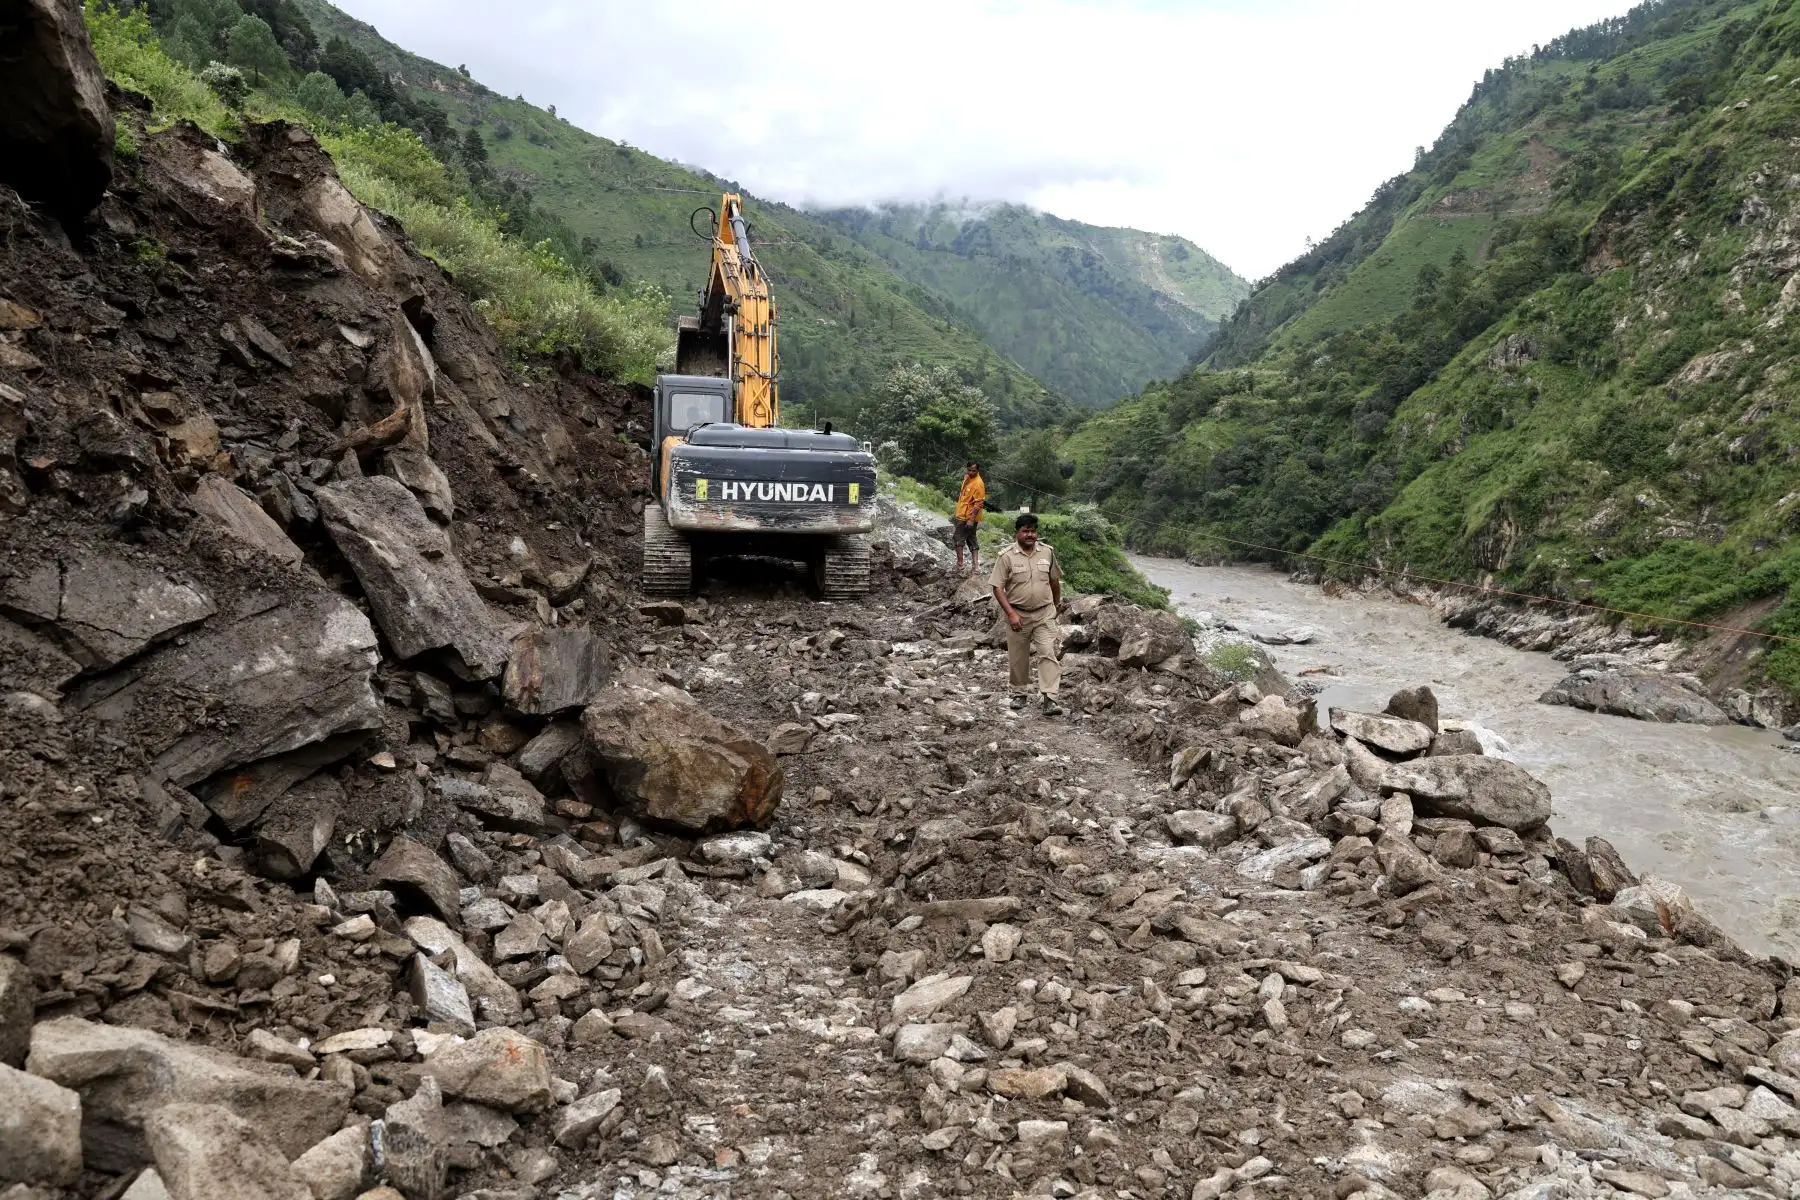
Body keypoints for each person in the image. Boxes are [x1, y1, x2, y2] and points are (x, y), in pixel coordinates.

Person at [990, 512, 1064, 716]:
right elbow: (997, 587)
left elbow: (1054, 581)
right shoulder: (1006, 557)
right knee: (1018, 657)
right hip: (1018, 614)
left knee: (1048, 651)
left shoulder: (1047, 553)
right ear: (1017, 534)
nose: (1030, 535)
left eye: (1033, 531)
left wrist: (1056, 606)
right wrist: (1011, 614)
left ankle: (1050, 698)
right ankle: (1019, 693)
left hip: (1044, 613)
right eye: (1025, 531)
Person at [952, 461, 986, 575]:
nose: (971, 472)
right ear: (967, 469)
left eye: (974, 470)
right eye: (969, 470)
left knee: (958, 538)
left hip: (968, 517)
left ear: (978, 471)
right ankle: (975, 567)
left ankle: (960, 565)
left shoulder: (978, 483)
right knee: (971, 538)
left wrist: (971, 519)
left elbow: (979, 503)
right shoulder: (967, 478)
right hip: (962, 513)